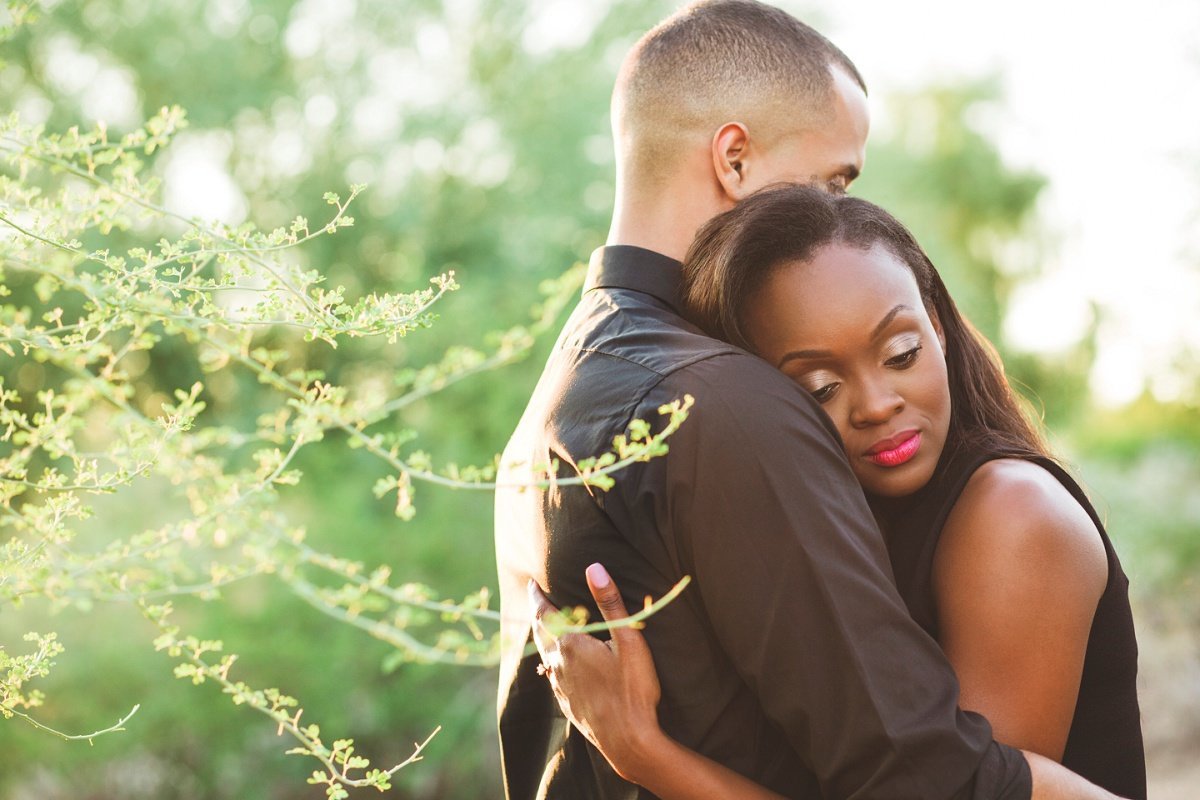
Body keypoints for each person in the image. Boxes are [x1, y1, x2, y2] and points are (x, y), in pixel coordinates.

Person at [495, 1, 1127, 797]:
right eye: (832, 178)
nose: (836, 212)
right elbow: (925, 779)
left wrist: (649, 754)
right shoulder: (719, 401)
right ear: (734, 159)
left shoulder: (544, 418)